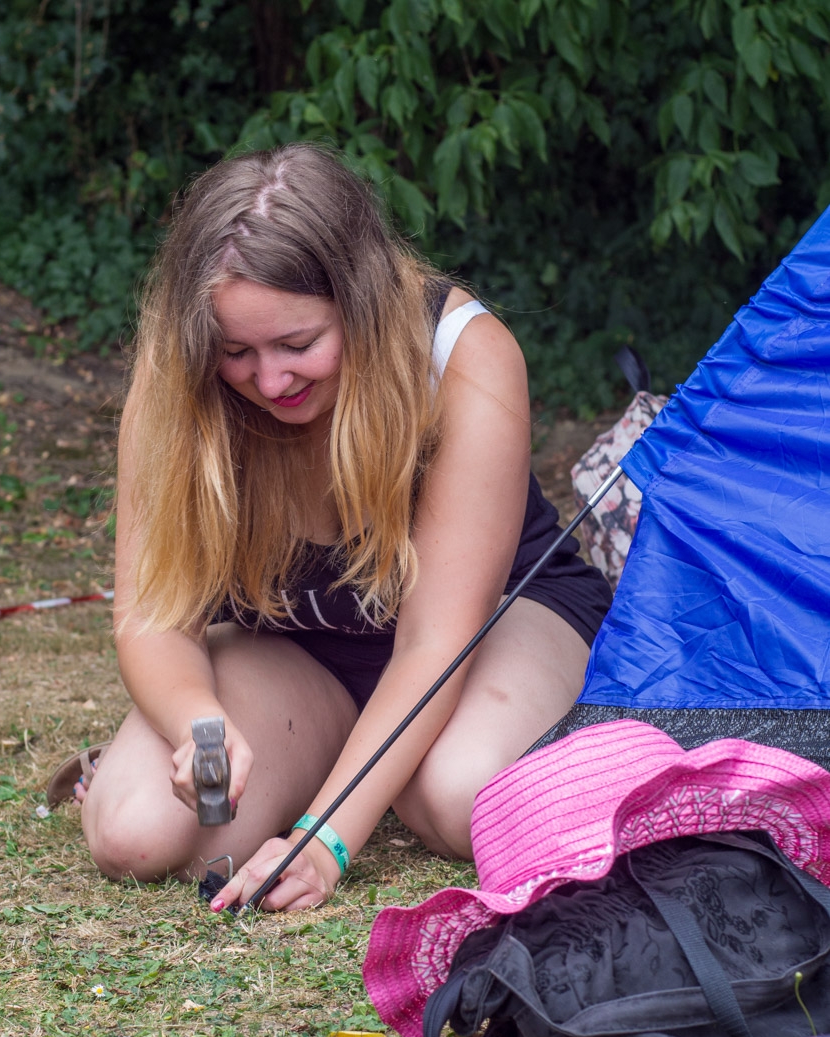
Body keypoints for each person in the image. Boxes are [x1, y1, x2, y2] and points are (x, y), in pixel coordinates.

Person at [50, 143, 612, 913]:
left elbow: (434, 643)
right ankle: (332, 757)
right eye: (235, 352)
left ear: (362, 302)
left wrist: (325, 840)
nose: (270, 380)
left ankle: (395, 769)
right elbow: (153, 615)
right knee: (135, 833)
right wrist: (197, 724)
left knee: (459, 795)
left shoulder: (464, 355)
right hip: (298, 648)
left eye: (298, 345)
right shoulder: (176, 369)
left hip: (487, 625)